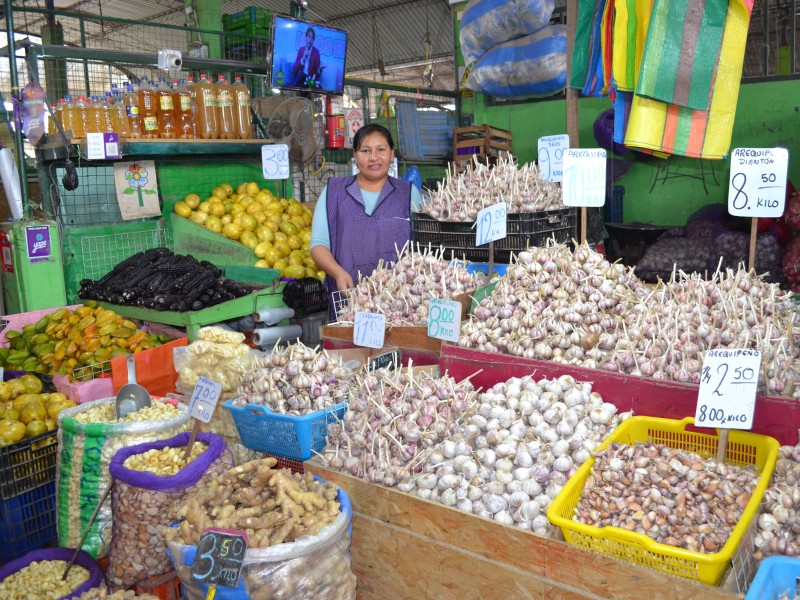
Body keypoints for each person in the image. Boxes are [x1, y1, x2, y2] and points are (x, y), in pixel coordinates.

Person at [310, 124, 423, 315]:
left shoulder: (408, 193)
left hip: (399, 302)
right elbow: (318, 244)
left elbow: (422, 248)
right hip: (348, 300)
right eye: (365, 151)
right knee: (350, 344)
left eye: (381, 150)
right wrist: (338, 273)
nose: (374, 158)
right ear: (355, 154)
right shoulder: (334, 192)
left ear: (391, 153)